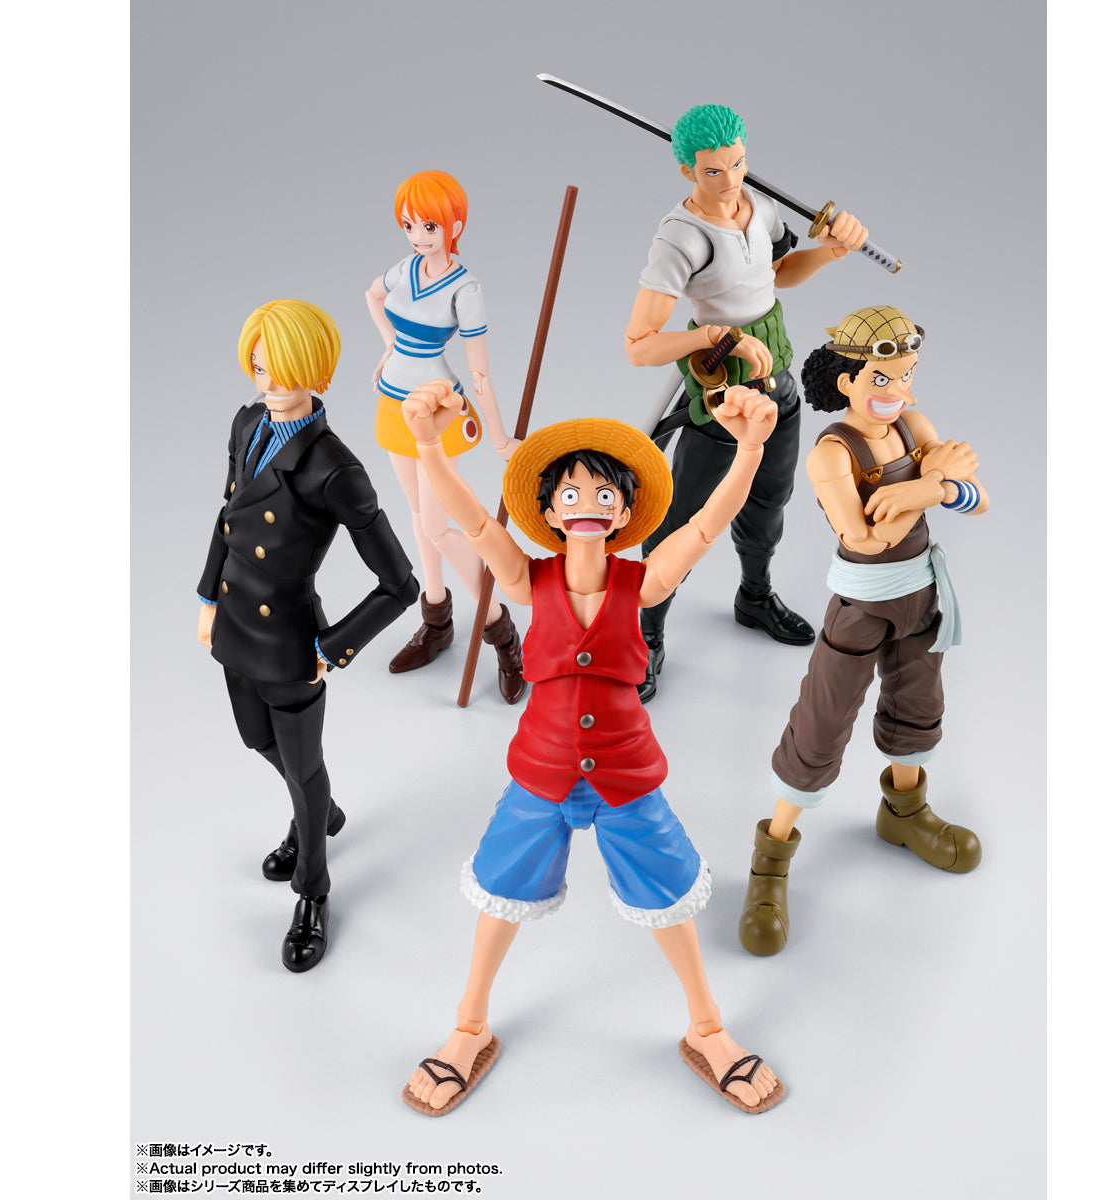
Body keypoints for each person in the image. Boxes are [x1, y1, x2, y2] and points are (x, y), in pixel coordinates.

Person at [397, 378, 784, 1116]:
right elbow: (472, 520)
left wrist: (750, 452)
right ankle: (469, 1024)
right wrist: (427, 446)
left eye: (605, 495)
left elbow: (707, 525)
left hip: (627, 775)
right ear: (547, 511)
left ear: (625, 512)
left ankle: (707, 1027)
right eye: (571, 493)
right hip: (540, 772)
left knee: (669, 894)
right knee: (501, 889)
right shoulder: (526, 577)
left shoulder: (643, 583)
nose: (588, 506)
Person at [737, 306, 988, 957]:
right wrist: (930, 487)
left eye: (907, 375)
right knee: (822, 721)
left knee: (919, 705)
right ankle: (771, 860)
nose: (898, 391)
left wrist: (928, 490)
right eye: (882, 378)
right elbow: (863, 538)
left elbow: (978, 497)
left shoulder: (913, 427)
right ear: (847, 381)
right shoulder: (832, 453)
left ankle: (905, 812)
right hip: (864, 601)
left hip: (923, 594)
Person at [196, 299, 420, 971]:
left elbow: (400, 584)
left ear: (317, 371)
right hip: (235, 621)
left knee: (302, 768)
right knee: (255, 739)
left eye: (283, 368)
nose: (269, 382)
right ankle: (320, 811)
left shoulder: (335, 468)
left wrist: (333, 647)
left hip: (290, 639)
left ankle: (313, 889)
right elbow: (227, 516)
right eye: (260, 366)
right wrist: (207, 596)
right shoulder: (246, 423)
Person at [626, 102, 870, 701]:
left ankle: (754, 596)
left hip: (777, 380)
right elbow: (640, 346)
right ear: (688, 171)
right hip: (720, 396)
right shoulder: (681, 238)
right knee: (681, 519)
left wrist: (830, 252)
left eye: (738, 164)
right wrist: (716, 336)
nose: (731, 180)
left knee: (769, 502)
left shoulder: (761, 209)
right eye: (714, 171)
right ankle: (645, 632)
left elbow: (779, 274)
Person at [365, 169, 524, 702]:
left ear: (454, 225)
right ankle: (437, 621)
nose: (418, 236)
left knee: (437, 526)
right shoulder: (405, 268)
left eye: (429, 225)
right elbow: (371, 295)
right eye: (409, 225)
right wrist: (390, 346)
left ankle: (500, 630)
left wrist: (500, 440)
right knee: (418, 515)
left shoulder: (465, 288)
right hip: (393, 403)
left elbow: (480, 375)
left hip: (437, 410)